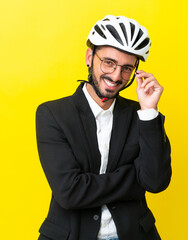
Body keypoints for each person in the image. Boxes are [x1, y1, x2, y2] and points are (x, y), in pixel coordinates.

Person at [36, 15, 172, 240]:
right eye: (109, 62)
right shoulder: (53, 114)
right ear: (90, 57)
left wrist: (149, 112)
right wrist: (133, 179)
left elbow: (155, 182)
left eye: (127, 68)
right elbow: (70, 193)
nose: (116, 76)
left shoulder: (141, 116)